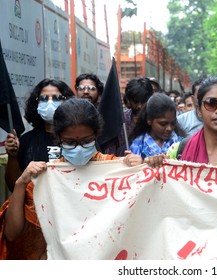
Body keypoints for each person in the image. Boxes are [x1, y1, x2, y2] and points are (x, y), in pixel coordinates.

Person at [0, 98, 158, 260]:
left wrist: (146, 170)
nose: (79, 147)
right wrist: (21, 183)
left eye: (86, 141)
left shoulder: (117, 171)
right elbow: (12, 234)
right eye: (70, 142)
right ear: (59, 138)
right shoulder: (46, 178)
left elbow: (150, 218)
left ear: (96, 134)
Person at [4, 79, 75, 192]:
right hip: (35, 206)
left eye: (56, 98)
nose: (50, 102)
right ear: (36, 103)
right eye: (43, 98)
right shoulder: (26, 140)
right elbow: (14, 187)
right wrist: (13, 157)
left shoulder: (79, 138)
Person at [103, 77, 154, 155]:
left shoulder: (157, 119)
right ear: (129, 101)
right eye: (136, 102)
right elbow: (110, 152)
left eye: (143, 101)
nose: (139, 106)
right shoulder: (120, 120)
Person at [123, 94, 182, 161]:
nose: (169, 128)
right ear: (149, 120)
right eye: (163, 124)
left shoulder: (181, 145)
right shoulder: (135, 145)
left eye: (173, 123)